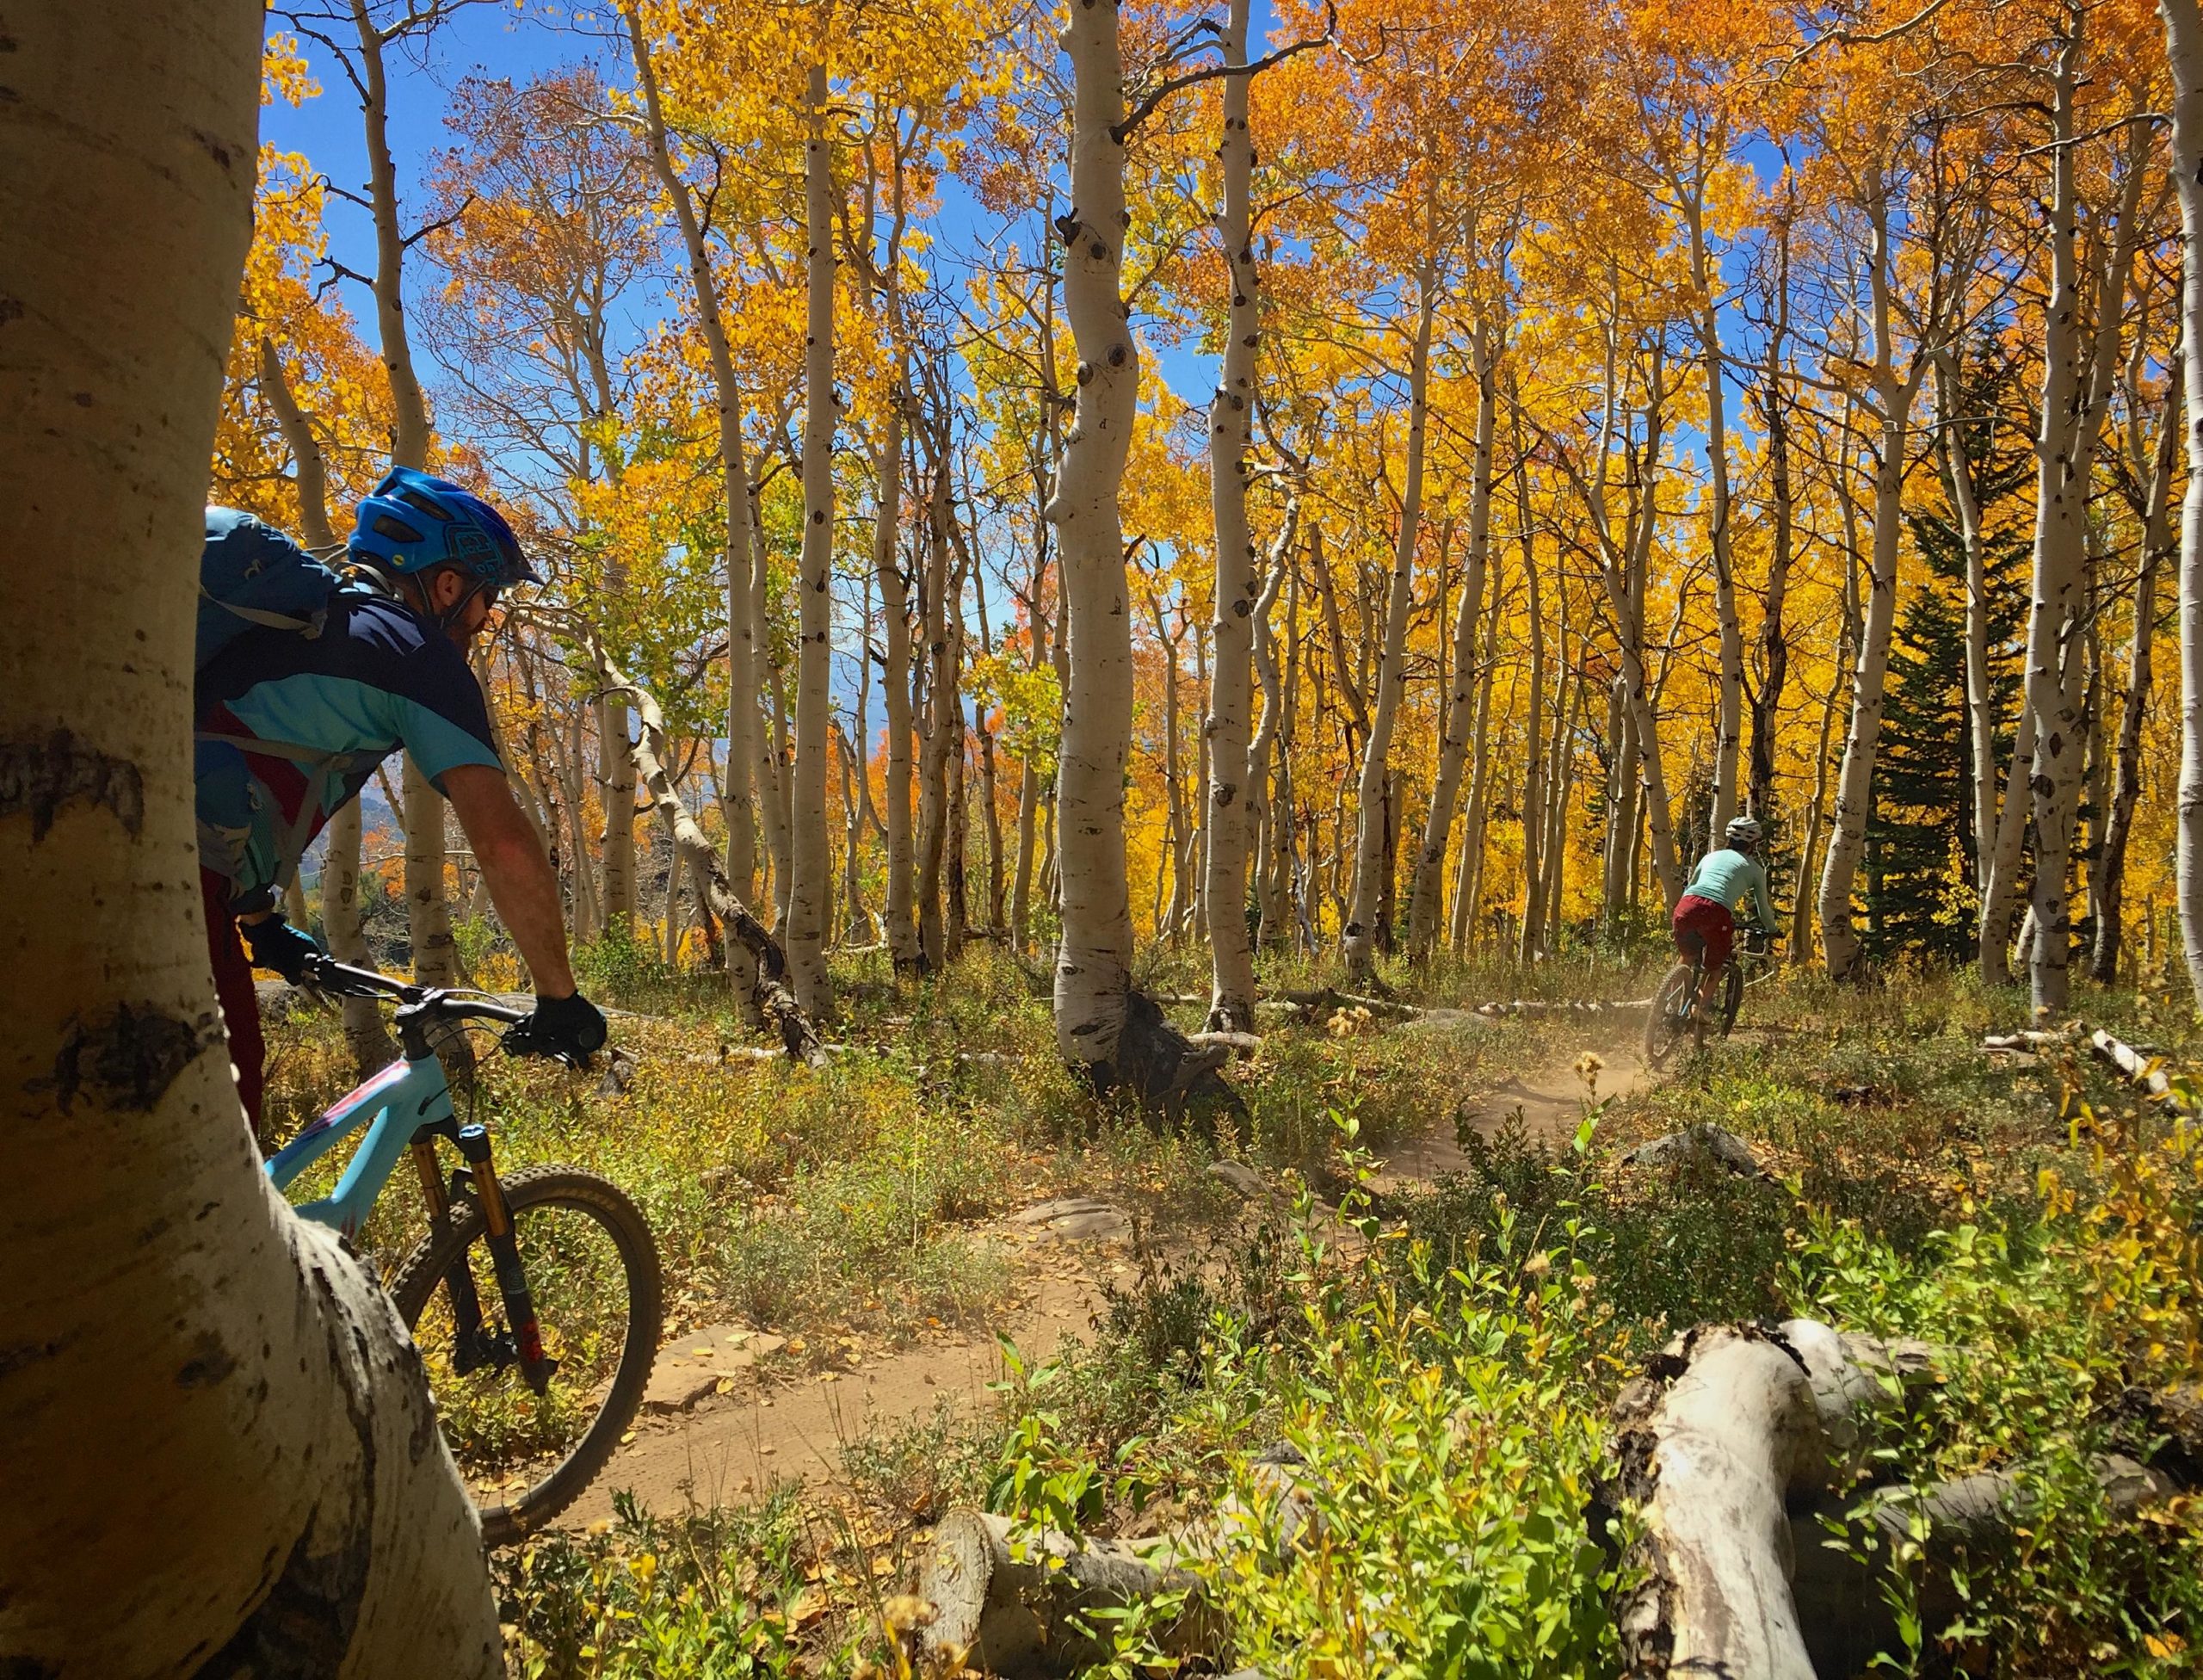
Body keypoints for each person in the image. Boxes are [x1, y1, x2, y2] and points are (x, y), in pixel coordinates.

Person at [196, 466, 606, 1134]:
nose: (484, 618)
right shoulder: (414, 654)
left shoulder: (301, 627)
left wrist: (257, 918)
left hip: (158, 861)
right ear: (448, 585)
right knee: (215, 1142)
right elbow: (501, 842)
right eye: (485, 597)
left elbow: (223, 761)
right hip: (172, 888)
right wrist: (558, 995)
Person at [1671, 814, 1780, 1012]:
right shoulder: (1755, 870)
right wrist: (1772, 929)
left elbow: (1692, 886)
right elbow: (1763, 907)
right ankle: (1700, 1010)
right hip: (1716, 911)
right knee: (1714, 966)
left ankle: (1669, 1004)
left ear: (1729, 839)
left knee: (1687, 955)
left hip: (1686, 905)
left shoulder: (1710, 857)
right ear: (1754, 844)